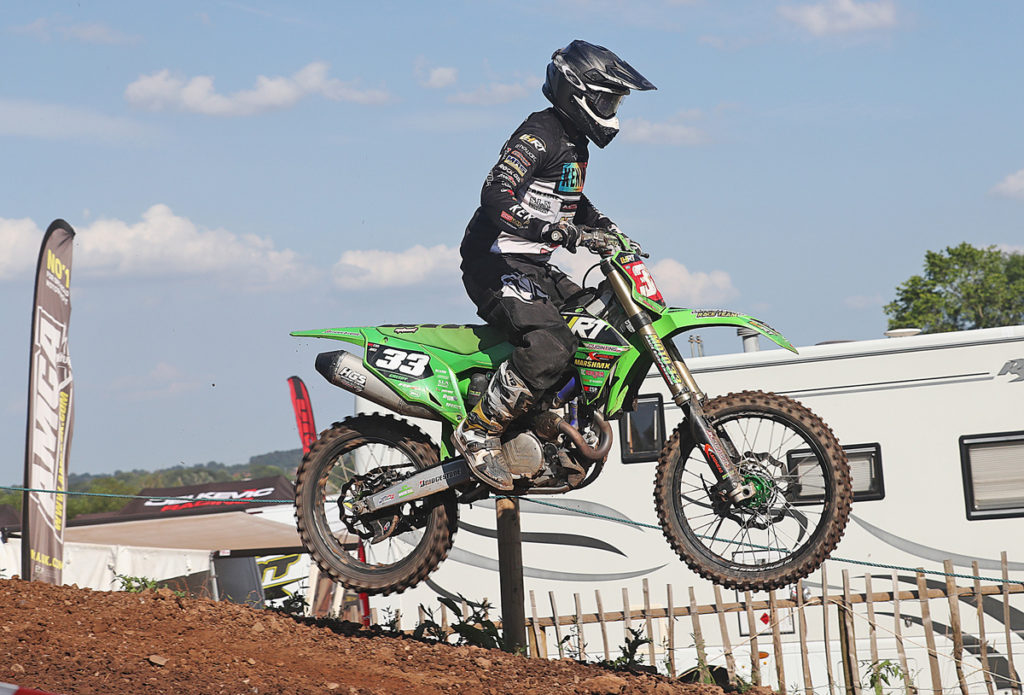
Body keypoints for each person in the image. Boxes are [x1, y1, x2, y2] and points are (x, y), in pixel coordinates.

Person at [453, 40, 656, 490]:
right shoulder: (538, 134)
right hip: (495, 262)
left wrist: (606, 227)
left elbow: (569, 198)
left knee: (597, 322)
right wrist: (552, 231)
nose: (611, 111)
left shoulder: (574, 144)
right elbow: (495, 194)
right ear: (576, 92)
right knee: (551, 343)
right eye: (606, 100)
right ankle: (479, 429)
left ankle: (546, 424)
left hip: (533, 265)